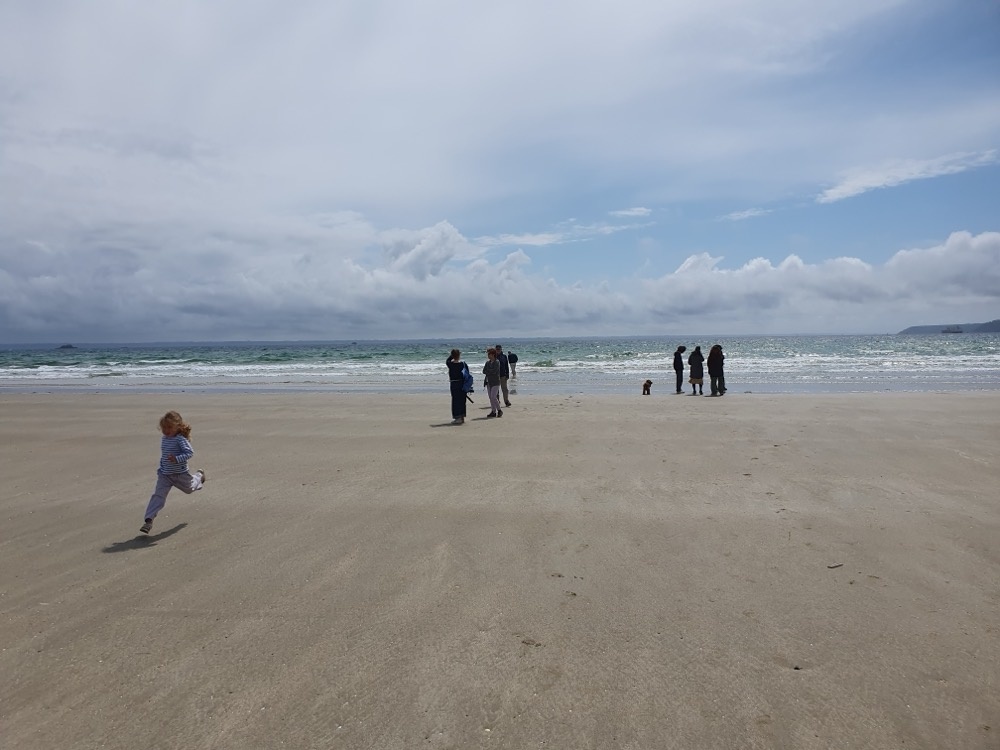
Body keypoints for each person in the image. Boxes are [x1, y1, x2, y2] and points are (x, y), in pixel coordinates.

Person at [140, 411, 206, 534]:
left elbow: (189, 453)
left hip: (180, 474)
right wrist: (162, 467)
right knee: (158, 496)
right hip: (165, 475)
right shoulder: (164, 438)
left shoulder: (180, 439)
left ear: (178, 426)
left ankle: (199, 476)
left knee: (190, 489)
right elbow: (164, 455)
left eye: (169, 427)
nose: (166, 430)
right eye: (164, 428)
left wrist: (177, 459)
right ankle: (149, 520)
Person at [446, 349, 468, 424]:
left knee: (456, 401)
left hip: (454, 383)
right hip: (462, 383)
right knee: (462, 400)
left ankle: (458, 417)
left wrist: (452, 355)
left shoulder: (450, 364)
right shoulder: (463, 364)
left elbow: (447, 360)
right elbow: (467, 373)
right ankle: (462, 417)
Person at [483, 347, 503, 418]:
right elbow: (484, 371)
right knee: (490, 398)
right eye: (488, 354)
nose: (488, 355)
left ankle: (499, 410)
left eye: (489, 354)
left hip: (495, 382)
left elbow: (494, 371)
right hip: (488, 382)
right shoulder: (487, 363)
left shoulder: (497, 362)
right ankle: (493, 411)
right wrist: (489, 371)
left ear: (493, 354)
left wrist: (488, 371)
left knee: (493, 397)